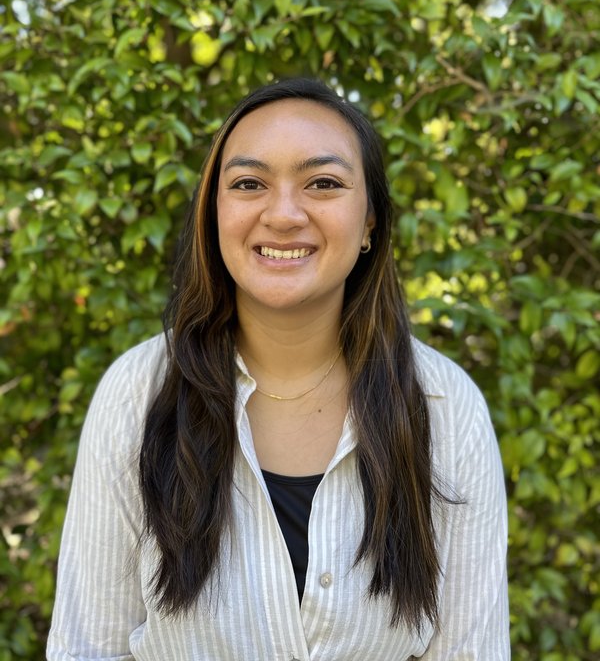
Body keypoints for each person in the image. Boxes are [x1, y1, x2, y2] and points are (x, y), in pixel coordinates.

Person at [47, 77, 509, 660]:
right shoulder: (138, 395)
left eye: (322, 183)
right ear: (215, 215)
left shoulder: (446, 407)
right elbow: (88, 647)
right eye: (248, 183)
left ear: (370, 222)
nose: (284, 214)